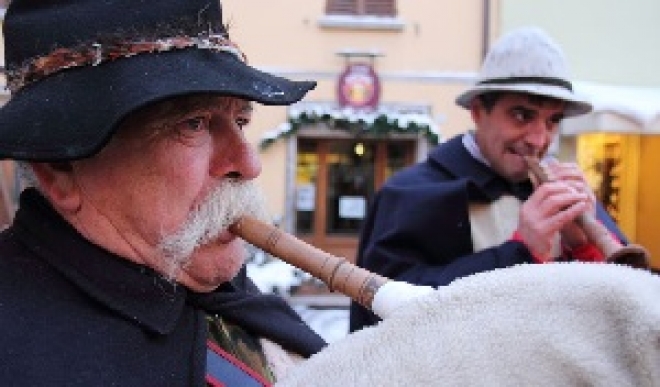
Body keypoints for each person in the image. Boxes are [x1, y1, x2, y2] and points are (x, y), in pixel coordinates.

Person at [0, 0, 326, 385]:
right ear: (60, 167)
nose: (248, 163)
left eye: (240, 120)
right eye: (193, 124)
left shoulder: (217, 288)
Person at [350, 27, 631, 332]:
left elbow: (622, 312)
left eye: (553, 121)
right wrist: (519, 253)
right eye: (522, 116)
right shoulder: (410, 193)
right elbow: (385, 313)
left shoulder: (567, 191)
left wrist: (585, 248)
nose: (539, 140)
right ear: (477, 112)